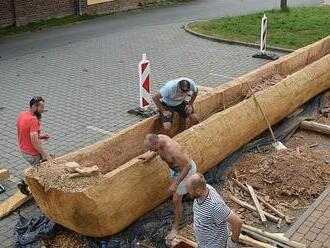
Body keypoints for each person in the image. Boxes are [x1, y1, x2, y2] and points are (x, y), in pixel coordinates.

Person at [139, 133, 197, 241]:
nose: (151, 150)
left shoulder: (172, 149)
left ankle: (175, 228)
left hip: (185, 172)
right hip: (176, 171)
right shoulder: (159, 139)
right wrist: (150, 155)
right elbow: (157, 151)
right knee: (186, 192)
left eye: (151, 149)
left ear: (156, 143)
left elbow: (188, 165)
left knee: (176, 200)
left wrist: (176, 184)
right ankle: (189, 193)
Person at [185, 173, 243, 248]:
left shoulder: (214, 205)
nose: (188, 193)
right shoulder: (205, 188)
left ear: (198, 190)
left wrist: (232, 242)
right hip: (204, 243)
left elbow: (237, 222)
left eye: (189, 191)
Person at [16, 96, 52, 194]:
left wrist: (41, 136)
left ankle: (24, 182)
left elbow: (25, 133)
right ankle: (27, 185)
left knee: (37, 168)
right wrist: (45, 154)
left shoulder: (22, 114)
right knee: (40, 172)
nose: (43, 110)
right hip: (32, 154)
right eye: (41, 107)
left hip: (24, 150)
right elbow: (34, 142)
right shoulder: (33, 120)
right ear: (34, 107)